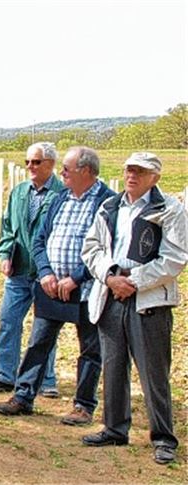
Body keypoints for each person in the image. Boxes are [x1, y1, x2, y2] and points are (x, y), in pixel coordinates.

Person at [81, 152, 187, 465]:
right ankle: (115, 428)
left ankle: (163, 437)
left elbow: (175, 258)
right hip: (111, 295)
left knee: (154, 372)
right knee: (113, 366)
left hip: (149, 301)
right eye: (129, 169)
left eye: (140, 171)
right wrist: (112, 276)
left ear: (155, 177)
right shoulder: (109, 206)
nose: (132, 175)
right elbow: (92, 248)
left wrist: (134, 281)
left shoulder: (170, 209)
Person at [0, 146, 113, 427]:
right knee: (39, 343)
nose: (62, 173)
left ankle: (83, 406)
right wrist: (46, 273)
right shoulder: (62, 199)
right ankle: (23, 396)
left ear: (85, 171)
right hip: (50, 287)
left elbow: (107, 248)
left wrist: (75, 278)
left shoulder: (107, 203)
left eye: (67, 169)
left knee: (89, 349)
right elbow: (40, 240)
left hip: (86, 289)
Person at [0, 142, 63, 397]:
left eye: (36, 162)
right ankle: (5, 375)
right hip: (18, 270)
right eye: (27, 161)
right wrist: (5, 254)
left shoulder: (63, 194)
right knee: (8, 321)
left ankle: (45, 380)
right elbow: (7, 227)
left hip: (47, 273)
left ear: (50, 164)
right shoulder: (18, 192)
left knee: (44, 328)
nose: (30, 166)